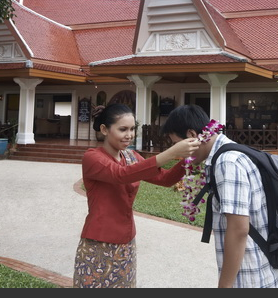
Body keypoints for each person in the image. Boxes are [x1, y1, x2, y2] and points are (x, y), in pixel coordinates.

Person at [74, 103, 200, 288]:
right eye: (123, 129)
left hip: (126, 243)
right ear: (104, 129)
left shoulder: (131, 156)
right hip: (98, 244)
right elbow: (121, 175)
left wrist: (193, 157)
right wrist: (171, 153)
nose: (129, 135)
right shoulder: (92, 158)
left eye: (133, 129)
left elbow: (164, 179)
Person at [161, 104, 278, 288]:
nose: (178, 154)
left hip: (250, 279)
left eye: (175, 144)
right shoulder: (230, 152)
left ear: (192, 135)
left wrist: (224, 287)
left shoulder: (227, 163)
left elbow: (239, 230)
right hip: (261, 272)